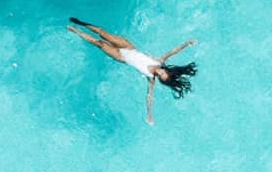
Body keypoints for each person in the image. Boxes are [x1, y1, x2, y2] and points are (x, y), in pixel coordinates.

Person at [67, 17, 196, 124]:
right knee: (102, 32)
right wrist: (187, 44)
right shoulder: (160, 62)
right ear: (166, 70)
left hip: (121, 57)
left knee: (99, 43)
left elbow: (150, 97)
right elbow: (173, 52)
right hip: (128, 47)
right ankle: (81, 23)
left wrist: (149, 114)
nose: (159, 73)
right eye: (163, 73)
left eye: (161, 77)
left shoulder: (151, 78)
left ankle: (76, 31)